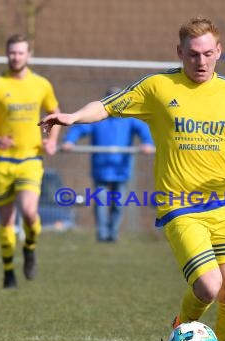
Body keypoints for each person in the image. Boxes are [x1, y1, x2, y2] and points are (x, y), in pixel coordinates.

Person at [39, 17, 225, 341]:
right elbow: (107, 107)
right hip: (180, 205)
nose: (201, 61)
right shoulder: (158, 87)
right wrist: (72, 118)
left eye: (208, 53)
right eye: (193, 54)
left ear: (219, 52)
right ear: (179, 53)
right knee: (209, 287)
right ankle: (185, 322)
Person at [0, 34, 61, 289]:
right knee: (6, 221)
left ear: (29, 55)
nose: (16, 57)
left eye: (21, 53)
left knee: (29, 212)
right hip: (1, 162)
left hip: (30, 158)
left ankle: (30, 247)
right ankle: (9, 271)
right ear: (6, 54)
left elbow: (54, 114)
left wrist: (52, 140)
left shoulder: (41, 84)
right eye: (12, 53)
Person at [62, 89, 155, 242]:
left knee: (118, 204)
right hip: (101, 169)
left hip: (121, 169)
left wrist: (148, 143)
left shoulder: (129, 118)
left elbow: (144, 131)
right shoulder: (98, 119)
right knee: (100, 203)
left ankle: (113, 233)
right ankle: (102, 234)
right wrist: (69, 141)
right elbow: (80, 128)